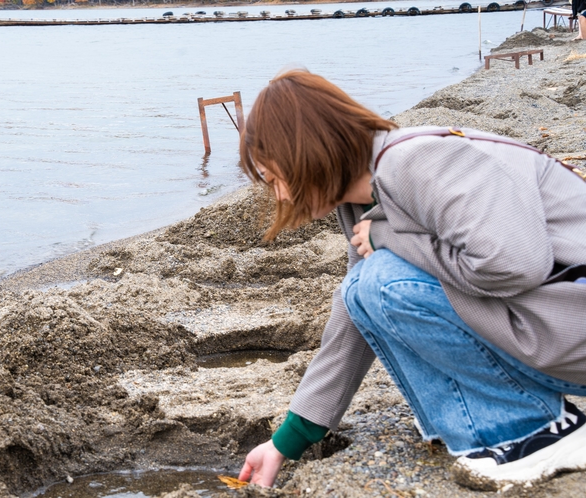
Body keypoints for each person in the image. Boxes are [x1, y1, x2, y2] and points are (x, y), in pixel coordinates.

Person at [235, 70, 586, 490]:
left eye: (276, 179)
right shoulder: (366, 195)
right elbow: (353, 318)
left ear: (306, 152)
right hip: (555, 327)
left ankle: (533, 432)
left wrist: (387, 239)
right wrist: (285, 442)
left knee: (381, 280)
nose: (280, 197)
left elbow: (515, 263)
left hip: (571, 326)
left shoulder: (416, 160)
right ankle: (493, 420)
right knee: (366, 287)